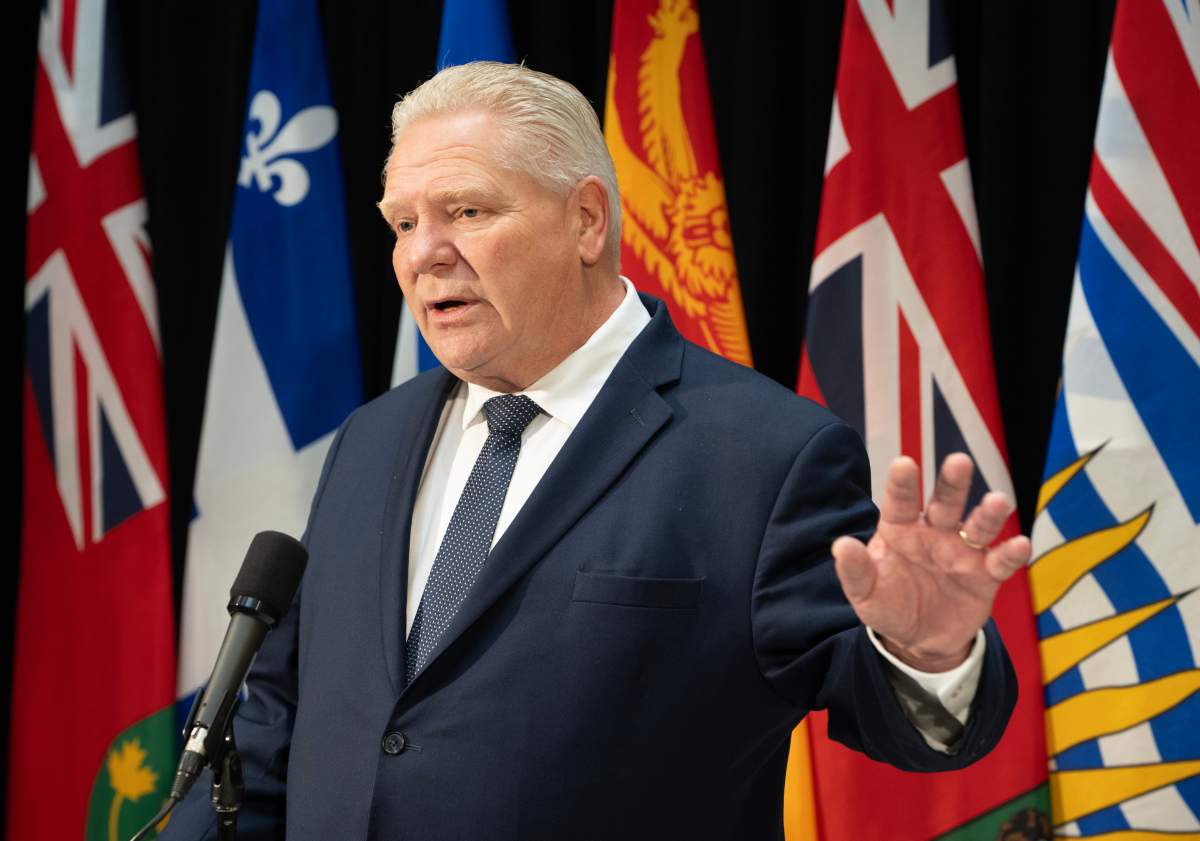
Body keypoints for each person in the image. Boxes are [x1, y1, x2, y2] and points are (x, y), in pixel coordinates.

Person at [161, 61, 1030, 841]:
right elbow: (284, 716)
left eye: (466, 210)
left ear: (585, 220)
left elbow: (886, 718)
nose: (425, 253)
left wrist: (928, 653)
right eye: (402, 222)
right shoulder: (371, 439)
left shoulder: (764, 455)